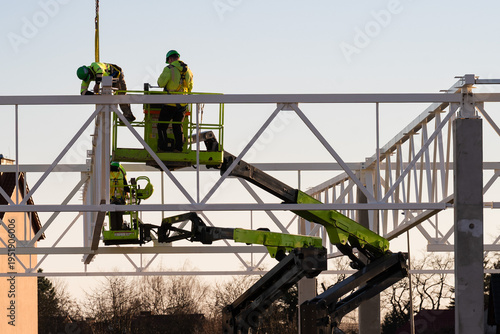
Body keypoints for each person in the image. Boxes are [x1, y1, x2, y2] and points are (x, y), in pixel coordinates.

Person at [157, 50, 193, 152]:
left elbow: (161, 83)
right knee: (178, 126)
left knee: (162, 126)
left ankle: (163, 147)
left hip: (170, 102)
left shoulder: (169, 69)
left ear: (170, 59)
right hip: (183, 104)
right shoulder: (188, 71)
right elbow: (190, 87)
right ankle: (179, 148)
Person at [109, 161, 130, 230]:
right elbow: (126, 188)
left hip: (110, 200)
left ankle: (114, 228)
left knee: (112, 214)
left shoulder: (108, 175)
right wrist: (132, 191)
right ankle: (119, 227)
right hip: (120, 199)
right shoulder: (121, 175)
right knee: (119, 214)